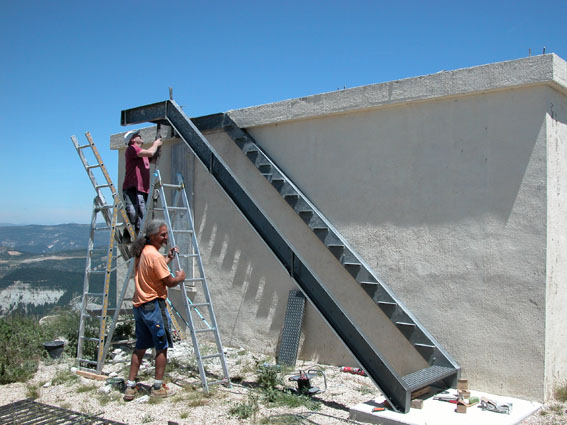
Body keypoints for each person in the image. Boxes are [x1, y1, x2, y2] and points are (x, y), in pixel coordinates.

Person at [123, 220, 186, 401]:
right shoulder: (155, 256)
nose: (166, 237)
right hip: (154, 306)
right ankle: (157, 386)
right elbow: (169, 282)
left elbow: (154, 269)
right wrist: (180, 277)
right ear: (153, 236)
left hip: (140, 306)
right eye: (163, 234)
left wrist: (169, 258)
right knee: (161, 345)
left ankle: (131, 386)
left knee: (141, 346)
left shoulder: (143, 252)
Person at [122, 130, 162, 237]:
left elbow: (152, 156)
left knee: (141, 216)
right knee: (132, 213)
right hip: (132, 187)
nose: (140, 136)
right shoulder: (132, 149)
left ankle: (137, 238)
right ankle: (127, 232)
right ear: (132, 140)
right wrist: (155, 144)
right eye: (137, 136)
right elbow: (150, 152)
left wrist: (157, 149)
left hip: (143, 189)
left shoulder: (142, 154)